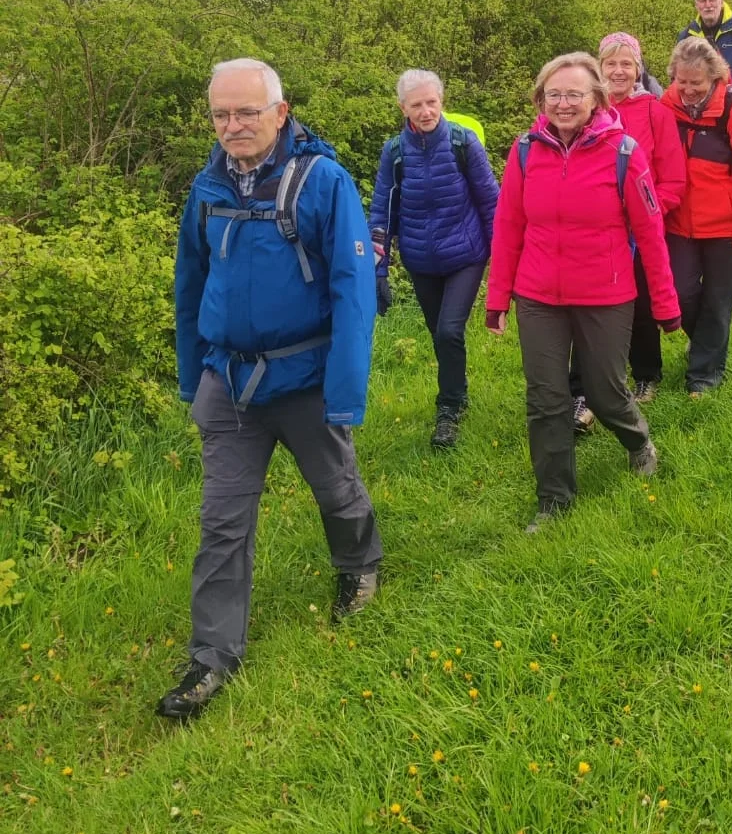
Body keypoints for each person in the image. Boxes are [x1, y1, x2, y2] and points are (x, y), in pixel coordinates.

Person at [160, 59, 381, 720]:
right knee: (221, 521)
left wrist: (344, 392)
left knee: (335, 486)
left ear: (280, 113)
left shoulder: (323, 182)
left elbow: (353, 289)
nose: (233, 125)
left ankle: (359, 566)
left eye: (246, 112)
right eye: (221, 114)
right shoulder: (207, 186)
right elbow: (190, 283)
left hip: (306, 378)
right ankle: (212, 657)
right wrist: (193, 374)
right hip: (229, 381)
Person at [485, 52, 681, 532]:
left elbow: (650, 233)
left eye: (574, 94)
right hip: (538, 296)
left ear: (596, 98)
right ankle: (554, 500)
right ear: (541, 100)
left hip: (605, 295)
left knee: (604, 392)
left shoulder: (624, 152)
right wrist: (497, 298)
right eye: (553, 94)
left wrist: (665, 303)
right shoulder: (525, 150)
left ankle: (637, 441)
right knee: (546, 398)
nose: (563, 103)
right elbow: (508, 226)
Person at [368, 69, 499, 449]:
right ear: (403, 108)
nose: (425, 111)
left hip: (466, 254)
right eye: (417, 105)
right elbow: (382, 211)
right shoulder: (394, 152)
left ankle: (449, 409)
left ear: (442, 102)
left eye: (431, 102)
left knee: (449, 331)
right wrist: (378, 270)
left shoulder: (463, 142)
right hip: (420, 259)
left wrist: (503, 265)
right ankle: (458, 389)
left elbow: (491, 201)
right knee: (438, 335)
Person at [569, 32, 687, 421]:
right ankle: (581, 390)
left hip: (640, 229)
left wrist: (646, 215)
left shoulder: (655, 112)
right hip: (594, 231)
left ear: (638, 69)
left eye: (626, 64)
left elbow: (673, 180)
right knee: (587, 309)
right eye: (610, 63)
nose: (618, 71)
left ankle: (646, 374)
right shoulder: (584, 110)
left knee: (641, 304)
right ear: (598, 68)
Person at [660, 37, 732, 396]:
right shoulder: (665, 106)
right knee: (680, 294)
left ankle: (703, 377)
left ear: (715, 77)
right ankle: (706, 345)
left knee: (717, 302)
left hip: (727, 227)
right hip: (679, 224)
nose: (688, 90)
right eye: (682, 81)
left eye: (697, 83)